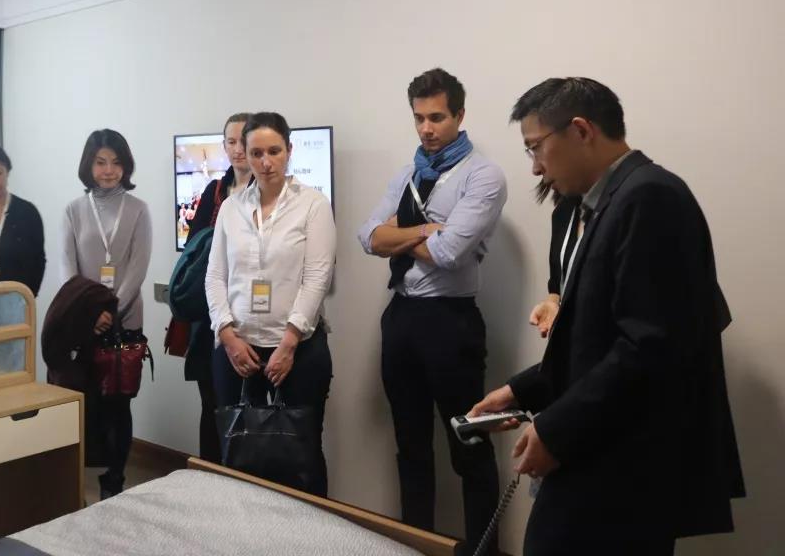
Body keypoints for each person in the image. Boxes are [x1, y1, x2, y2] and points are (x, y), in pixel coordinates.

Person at [472, 77, 744, 556]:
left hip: (625, 464)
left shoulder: (651, 197)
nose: (535, 167)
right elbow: (595, 337)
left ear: (581, 130)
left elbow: (649, 346)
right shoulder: (607, 203)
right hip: (603, 449)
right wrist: (520, 390)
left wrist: (556, 429)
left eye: (536, 147)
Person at [357, 68, 505, 555]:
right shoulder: (408, 173)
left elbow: (450, 253)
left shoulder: (482, 175)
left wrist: (399, 234)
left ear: (459, 115)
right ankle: (414, 544)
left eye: (437, 117)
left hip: (450, 321)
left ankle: (483, 551)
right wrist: (425, 229)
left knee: (469, 446)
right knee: (411, 445)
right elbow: (367, 237)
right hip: (401, 316)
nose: (426, 128)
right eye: (419, 118)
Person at [205, 112, 336, 496]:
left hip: (298, 351)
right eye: (257, 153)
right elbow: (215, 277)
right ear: (244, 155)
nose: (266, 162)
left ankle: (308, 528)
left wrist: (289, 342)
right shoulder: (231, 208)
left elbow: (317, 278)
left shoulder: (313, 205)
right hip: (237, 353)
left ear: (289, 150)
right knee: (239, 456)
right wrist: (228, 336)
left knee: (301, 456)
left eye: (274, 151)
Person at [62, 129, 152, 499]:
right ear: (89, 165)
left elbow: (138, 267)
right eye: (101, 162)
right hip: (84, 324)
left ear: (125, 166)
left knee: (119, 406)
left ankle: (114, 482)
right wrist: (89, 313)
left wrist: (111, 311)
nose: (109, 170)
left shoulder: (138, 209)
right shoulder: (74, 210)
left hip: (125, 323)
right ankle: (80, 479)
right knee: (88, 403)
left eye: (116, 162)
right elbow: (68, 269)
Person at [182, 112, 251, 463]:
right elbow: (194, 252)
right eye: (231, 142)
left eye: (244, 141)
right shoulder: (215, 191)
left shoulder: (270, 192)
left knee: (251, 410)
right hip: (212, 314)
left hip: (254, 316)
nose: (238, 149)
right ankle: (209, 478)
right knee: (211, 404)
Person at [0, 144, 47, 296]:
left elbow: (38, 261)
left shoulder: (27, 212)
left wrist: (26, 298)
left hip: (15, 300)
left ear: (7, 171)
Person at [527, 180, 580, 338]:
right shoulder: (564, 211)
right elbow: (558, 280)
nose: (536, 170)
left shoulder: (617, 210)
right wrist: (552, 302)